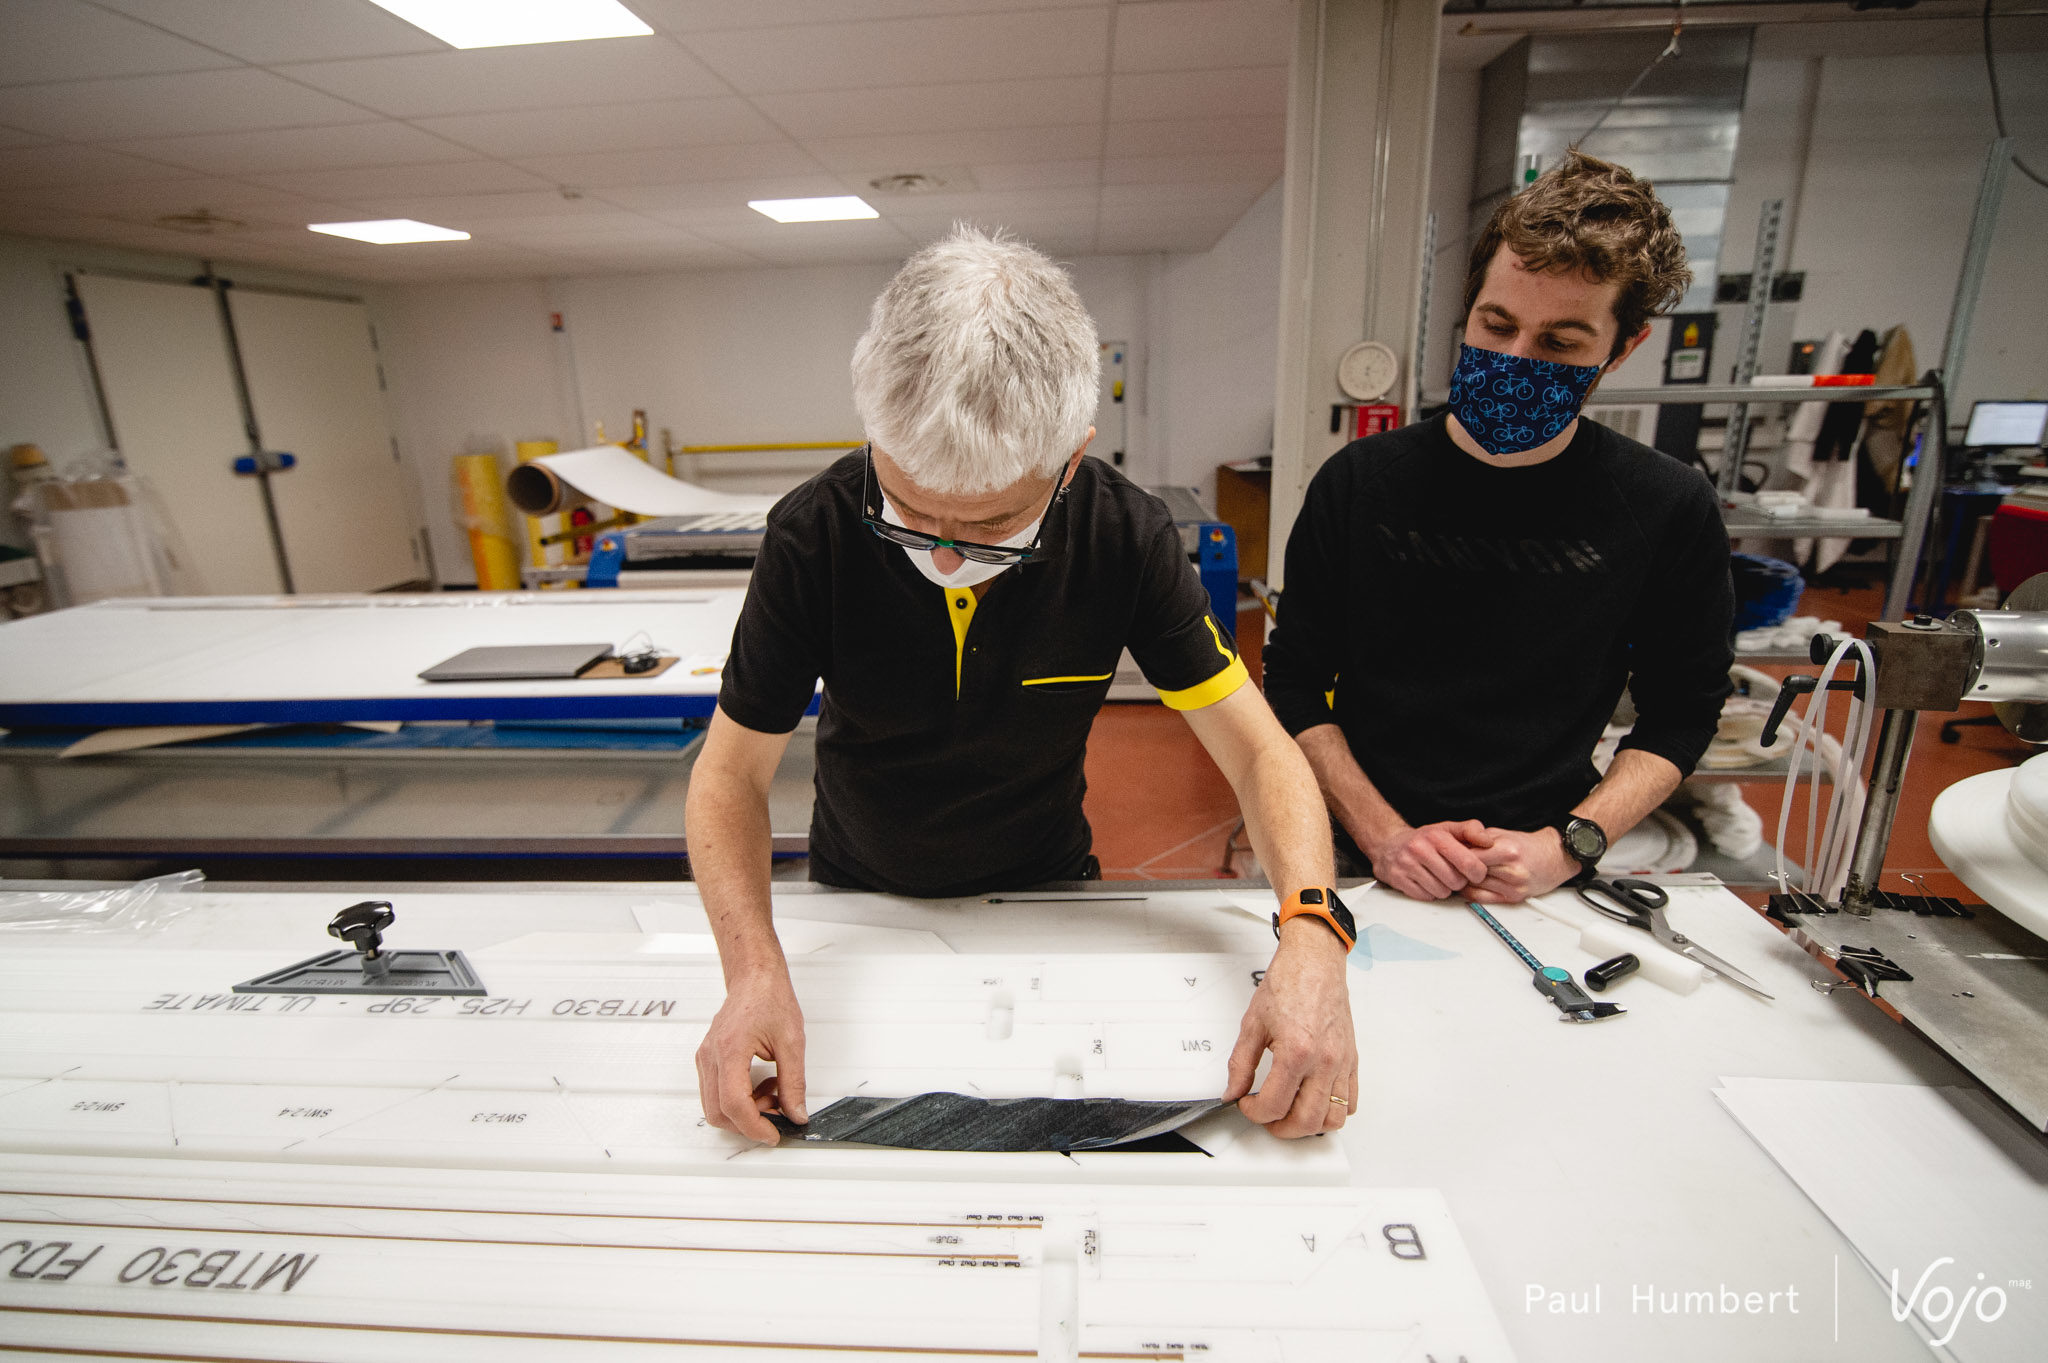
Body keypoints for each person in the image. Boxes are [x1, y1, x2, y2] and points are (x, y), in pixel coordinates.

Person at [687, 226, 1354, 1146]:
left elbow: (1257, 751)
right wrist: (753, 967)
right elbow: (730, 775)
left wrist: (1313, 934)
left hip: (1050, 894)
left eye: (993, 524)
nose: (946, 554)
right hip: (857, 895)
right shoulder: (814, 535)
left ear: (1070, 461)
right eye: (909, 514)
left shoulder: (1124, 536)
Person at [1262, 150, 1735, 905]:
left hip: (1543, 865)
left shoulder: (1665, 505)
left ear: (1623, 347)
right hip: (1357, 849)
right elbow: (1294, 682)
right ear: (1470, 307)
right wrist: (1385, 836)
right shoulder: (1359, 483)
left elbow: (1682, 712)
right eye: (1498, 323)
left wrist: (1569, 844)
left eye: (1560, 343)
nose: (1516, 359)